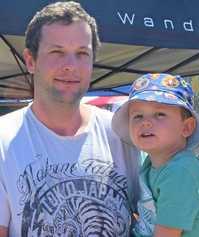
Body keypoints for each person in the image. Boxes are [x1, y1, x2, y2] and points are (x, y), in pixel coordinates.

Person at [0, 2, 139, 237]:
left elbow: (150, 215)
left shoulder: (122, 133)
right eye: (57, 52)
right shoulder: (4, 140)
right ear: (30, 61)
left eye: (82, 54)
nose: (70, 66)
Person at [112, 73, 199, 237]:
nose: (145, 122)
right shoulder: (150, 164)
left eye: (160, 114)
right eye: (138, 116)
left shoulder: (182, 171)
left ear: (187, 128)